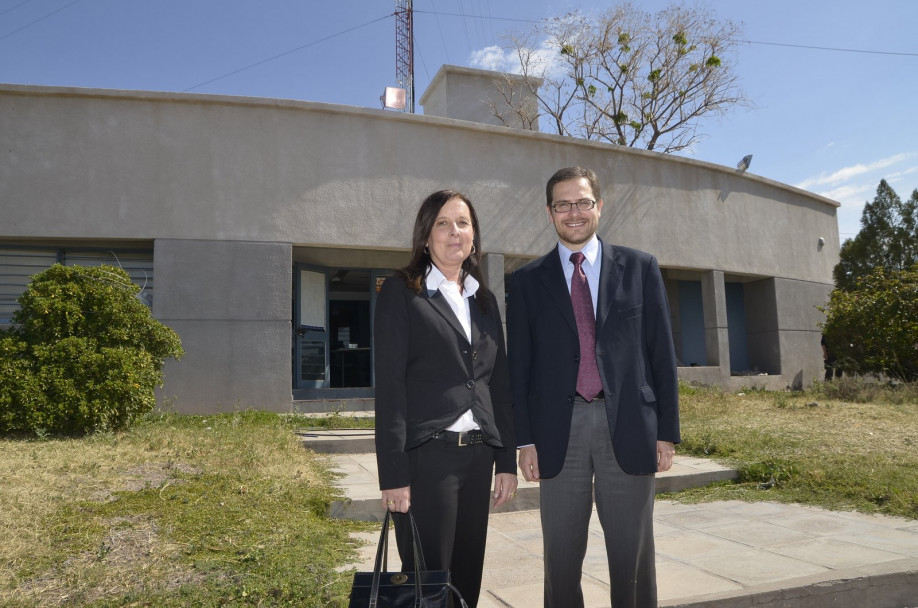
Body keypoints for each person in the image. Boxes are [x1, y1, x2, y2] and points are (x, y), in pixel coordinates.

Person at [507, 166, 680, 608]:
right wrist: (524, 439)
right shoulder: (526, 281)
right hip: (557, 433)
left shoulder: (640, 268)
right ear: (549, 213)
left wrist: (666, 430)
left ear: (599, 206)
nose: (574, 212)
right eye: (562, 204)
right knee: (560, 559)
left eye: (583, 202)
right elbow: (520, 367)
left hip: (627, 424)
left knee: (633, 559)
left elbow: (661, 354)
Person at [374, 189, 518, 607]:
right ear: (425, 236)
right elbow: (390, 388)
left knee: (466, 579)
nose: (454, 232)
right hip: (427, 461)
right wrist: (394, 474)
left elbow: (499, 386)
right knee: (427, 581)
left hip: (478, 458)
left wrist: (505, 461)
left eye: (463, 223)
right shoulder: (402, 293)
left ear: (474, 237)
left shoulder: (485, 300)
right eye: (442, 223)